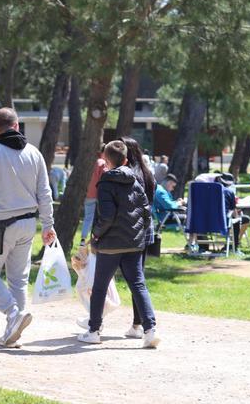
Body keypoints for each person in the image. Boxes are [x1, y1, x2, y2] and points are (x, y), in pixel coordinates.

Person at [0, 108, 56, 349]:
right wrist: (48, 223)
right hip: (28, 222)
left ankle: (12, 314)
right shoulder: (34, 153)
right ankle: (12, 331)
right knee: (18, 278)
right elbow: (45, 192)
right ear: (17, 126)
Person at [78, 140, 160, 348]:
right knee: (138, 285)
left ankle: (94, 330)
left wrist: (95, 236)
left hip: (110, 244)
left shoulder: (105, 182)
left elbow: (106, 216)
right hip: (134, 243)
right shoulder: (136, 180)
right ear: (125, 160)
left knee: (100, 287)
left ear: (106, 160)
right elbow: (145, 211)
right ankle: (149, 330)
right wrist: (139, 235)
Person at [118, 136, 156, 339]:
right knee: (137, 277)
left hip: (128, 231)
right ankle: (137, 323)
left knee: (133, 279)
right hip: (145, 229)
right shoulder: (148, 174)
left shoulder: (126, 176)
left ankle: (95, 323)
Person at [81, 146, 108, 244]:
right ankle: (95, 240)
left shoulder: (92, 163)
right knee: (100, 219)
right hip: (98, 195)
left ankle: (83, 241)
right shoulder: (103, 163)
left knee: (88, 218)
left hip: (88, 194)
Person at [218, 173, 249, 256]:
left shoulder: (206, 192)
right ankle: (234, 247)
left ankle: (203, 246)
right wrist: (237, 216)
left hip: (206, 222)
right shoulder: (229, 192)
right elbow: (233, 211)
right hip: (223, 222)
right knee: (241, 220)